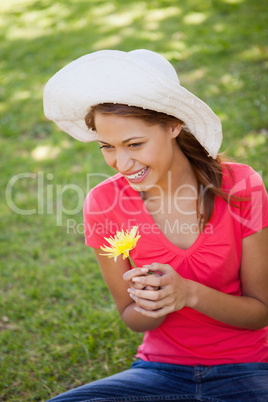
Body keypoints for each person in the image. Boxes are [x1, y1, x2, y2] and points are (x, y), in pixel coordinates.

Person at [43, 49, 268, 401]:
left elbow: (260, 313)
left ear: (173, 125)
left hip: (250, 368)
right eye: (107, 147)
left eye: (134, 144)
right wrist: (148, 301)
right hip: (160, 372)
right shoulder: (103, 204)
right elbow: (131, 317)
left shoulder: (241, 186)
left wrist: (188, 293)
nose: (121, 162)